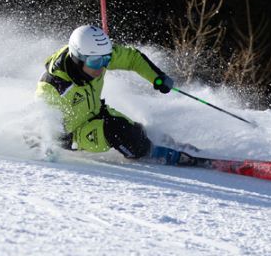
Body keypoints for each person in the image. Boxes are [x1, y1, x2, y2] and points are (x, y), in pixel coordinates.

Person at [36, 25, 179, 162]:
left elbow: (132, 58)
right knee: (118, 132)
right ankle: (154, 154)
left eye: (106, 59)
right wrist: (48, 151)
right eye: (95, 62)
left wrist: (157, 77)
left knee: (136, 130)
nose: (101, 67)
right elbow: (43, 126)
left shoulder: (97, 55)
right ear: (77, 58)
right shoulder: (54, 87)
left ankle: (156, 143)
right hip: (75, 135)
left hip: (95, 112)